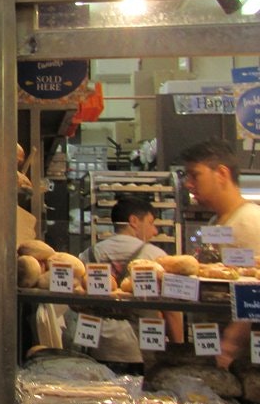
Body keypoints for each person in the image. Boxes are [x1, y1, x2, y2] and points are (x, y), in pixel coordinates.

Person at [70, 196, 183, 367]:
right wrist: (177, 351)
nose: (155, 231)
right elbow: (172, 311)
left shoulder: (89, 254)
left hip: (97, 345)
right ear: (134, 221)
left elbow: (76, 302)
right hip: (143, 345)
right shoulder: (156, 256)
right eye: (151, 223)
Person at [178, 139, 260, 369]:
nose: (188, 184)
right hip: (217, 347)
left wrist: (232, 342)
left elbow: (255, 291)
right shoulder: (218, 222)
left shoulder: (251, 221)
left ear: (222, 174)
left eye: (195, 175)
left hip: (242, 362)